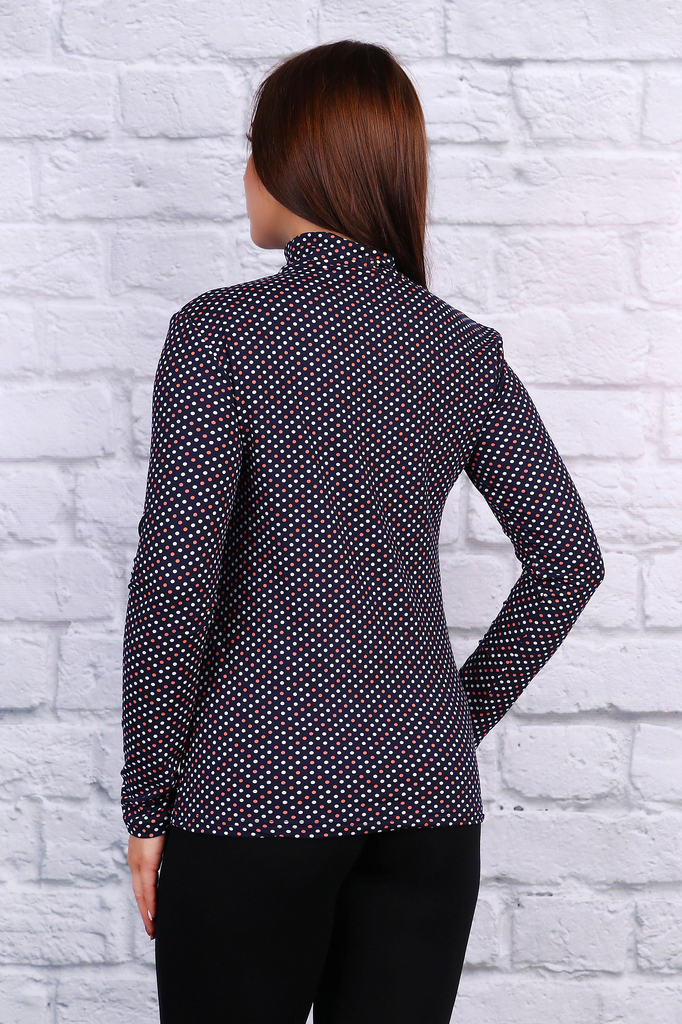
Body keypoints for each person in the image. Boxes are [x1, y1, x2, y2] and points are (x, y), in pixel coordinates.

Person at [122, 39, 605, 1024]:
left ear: (295, 162)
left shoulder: (221, 333)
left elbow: (178, 579)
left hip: (251, 796)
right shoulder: (462, 349)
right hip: (428, 806)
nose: (245, 172)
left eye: (255, 147)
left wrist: (147, 802)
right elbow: (569, 562)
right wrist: (448, 720)